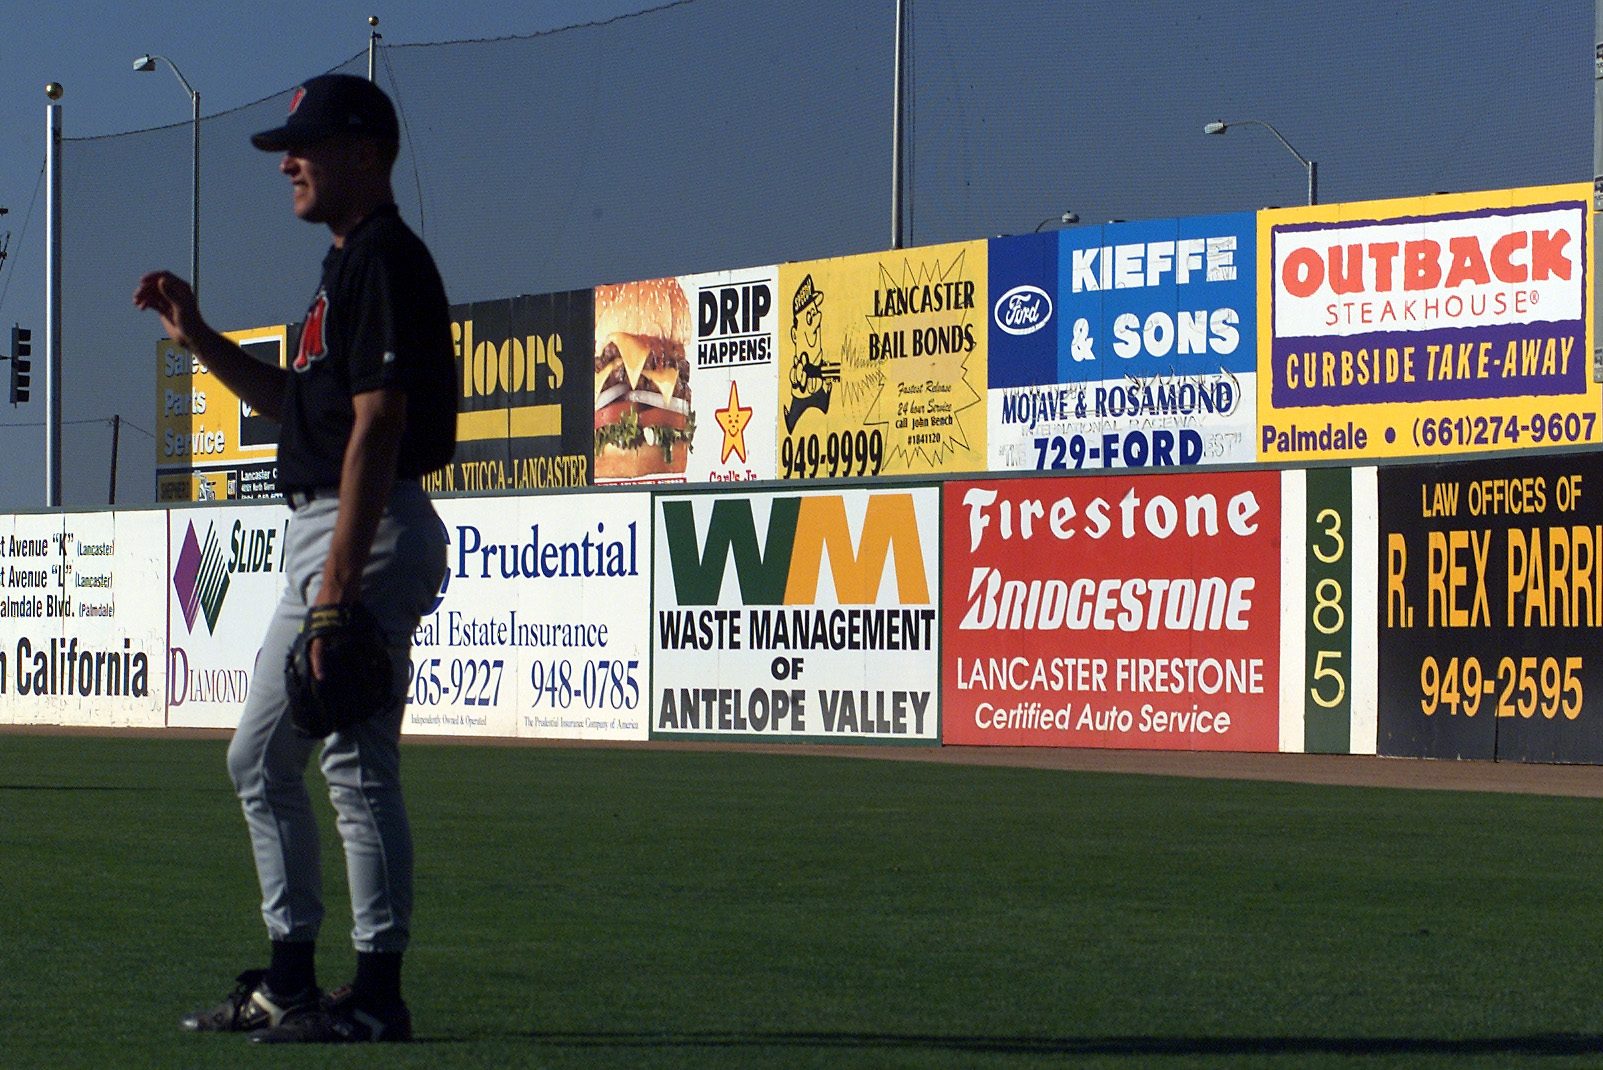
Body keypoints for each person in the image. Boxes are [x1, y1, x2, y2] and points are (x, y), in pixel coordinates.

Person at [134, 73, 456, 1045]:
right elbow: (301, 406)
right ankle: (288, 980)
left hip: (368, 530)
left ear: (365, 150)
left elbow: (378, 427)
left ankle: (374, 993)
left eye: (307, 144)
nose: (289, 160)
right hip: (327, 528)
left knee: (356, 767)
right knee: (260, 756)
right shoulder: (346, 264)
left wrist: (333, 595)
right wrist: (197, 337)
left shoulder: (388, 257)